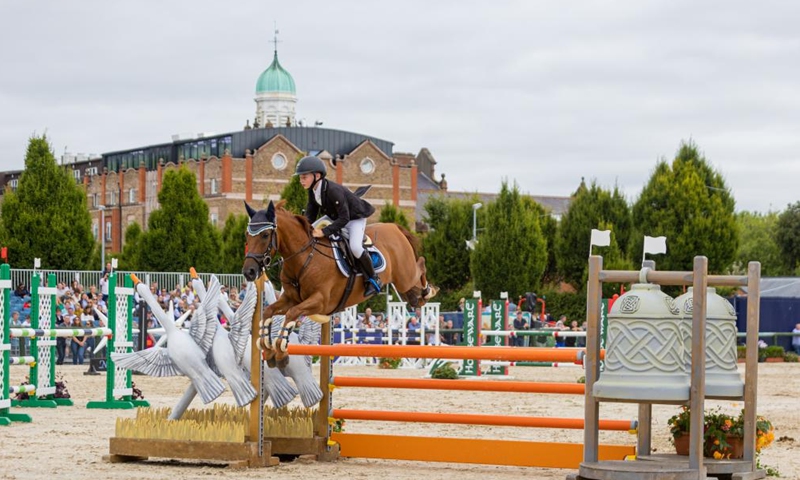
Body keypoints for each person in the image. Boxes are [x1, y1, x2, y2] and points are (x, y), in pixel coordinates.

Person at [296, 155, 383, 297]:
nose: (301, 181)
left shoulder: (333, 190)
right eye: (300, 177)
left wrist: (324, 232)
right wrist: (302, 227)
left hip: (354, 219)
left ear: (317, 176)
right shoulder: (313, 190)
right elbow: (311, 215)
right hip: (336, 217)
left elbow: (344, 218)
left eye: (304, 177)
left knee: (355, 247)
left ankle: (374, 279)